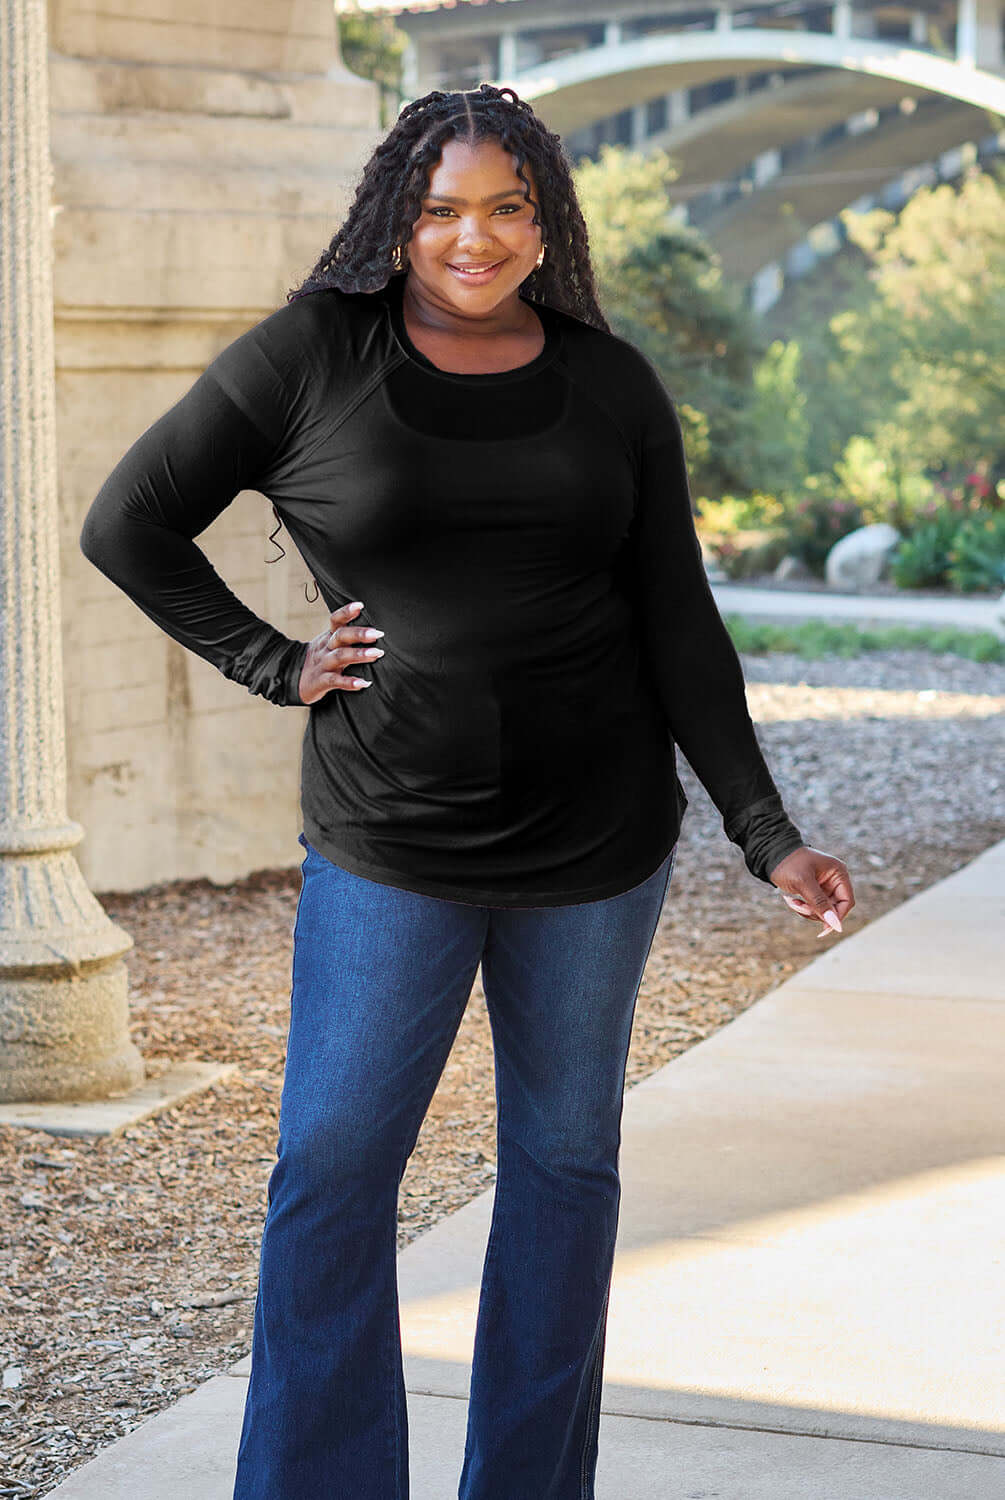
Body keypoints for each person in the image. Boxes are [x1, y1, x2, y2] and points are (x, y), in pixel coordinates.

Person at [80, 83, 854, 1500]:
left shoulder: (608, 381)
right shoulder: (315, 355)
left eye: (505, 207)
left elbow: (677, 619)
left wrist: (766, 832)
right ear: (394, 217)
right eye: (439, 209)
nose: (471, 238)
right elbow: (128, 523)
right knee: (328, 1171)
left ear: (545, 217)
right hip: (389, 841)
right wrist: (272, 661)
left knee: (563, 1177)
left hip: (600, 844)